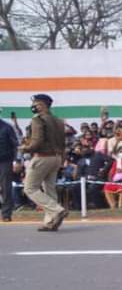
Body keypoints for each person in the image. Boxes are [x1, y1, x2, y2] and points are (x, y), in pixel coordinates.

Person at [22, 94, 70, 231]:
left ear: (42, 105)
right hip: (56, 157)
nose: (33, 106)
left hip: (42, 157)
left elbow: (37, 142)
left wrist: (24, 148)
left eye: (35, 104)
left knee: (30, 188)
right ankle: (50, 222)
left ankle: (57, 210)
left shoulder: (37, 120)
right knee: (50, 190)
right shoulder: (58, 121)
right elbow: (62, 143)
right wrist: (62, 159)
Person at [0, 112, 18, 222]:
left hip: (5, 161)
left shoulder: (7, 127)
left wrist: (17, 160)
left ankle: (6, 214)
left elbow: (16, 144)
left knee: (6, 187)